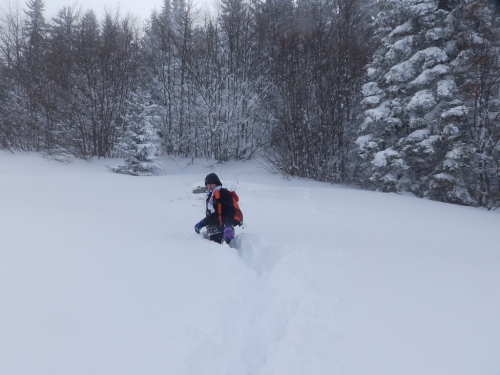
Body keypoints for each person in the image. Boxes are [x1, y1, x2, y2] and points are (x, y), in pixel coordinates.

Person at [194, 173, 235, 244]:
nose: (209, 185)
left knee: (223, 253)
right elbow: (212, 216)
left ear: (217, 184)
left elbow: (230, 210)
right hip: (213, 231)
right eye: (208, 183)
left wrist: (228, 226)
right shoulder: (210, 198)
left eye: (212, 183)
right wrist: (202, 223)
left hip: (224, 231)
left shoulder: (223, 194)